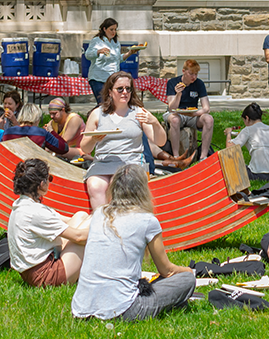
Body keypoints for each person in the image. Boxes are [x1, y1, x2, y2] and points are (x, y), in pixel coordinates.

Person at [70, 164, 195, 320]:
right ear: (142, 190)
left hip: (82, 309)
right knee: (186, 280)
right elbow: (167, 270)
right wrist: (188, 271)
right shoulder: (147, 221)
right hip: (123, 309)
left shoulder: (99, 214)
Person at [80, 71, 165, 210]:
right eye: (120, 89)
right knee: (95, 186)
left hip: (131, 162)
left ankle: (119, 224)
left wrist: (155, 122)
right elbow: (85, 148)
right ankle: (101, 224)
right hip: (103, 162)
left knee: (118, 184)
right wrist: (93, 139)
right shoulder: (97, 113)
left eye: (128, 88)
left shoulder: (138, 112)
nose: (124, 92)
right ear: (110, 92)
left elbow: (160, 141)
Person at [9, 158, 90, 286]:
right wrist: (104, 229)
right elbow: (78, 237)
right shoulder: (35, 212)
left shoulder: (22, 205)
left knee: (81, 216)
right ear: (41, 184)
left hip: (33, 270)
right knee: (90, 225)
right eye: (49, 179)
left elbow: (68, 221)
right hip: (46, 276)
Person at [163, 59, 213, 160]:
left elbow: (206, 108)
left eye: (196, 74)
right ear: (184, 71)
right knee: (174, 120)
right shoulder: (173, 83)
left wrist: (194, 114)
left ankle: (203, 156)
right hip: (176, 113)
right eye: (191, 74)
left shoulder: (199, 84)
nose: (193, 77)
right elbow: (172, 108)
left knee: (209, 119)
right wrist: (178, 94)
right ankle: (176, 156)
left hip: (192, 114)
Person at [87, 18, 139, 103]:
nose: (113, 32)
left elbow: (118, 59)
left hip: (112, 79)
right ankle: (93, 115)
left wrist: (130, 53)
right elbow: (87, 55)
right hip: (98, 78)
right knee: (103, 104)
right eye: (111, 29)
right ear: (104, 29)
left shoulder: (115, 43)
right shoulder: (97, 41)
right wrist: (99, 51)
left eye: (115, 29)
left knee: (112, 104)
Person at [226, 103, 269, 181]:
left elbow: (229, 148)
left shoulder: (248, 129)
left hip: (256, 174)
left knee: (232, 164)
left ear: (247, 118)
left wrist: (228, 133)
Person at [3, 103, 71, 155]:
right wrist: (51, 131)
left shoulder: (7, 132)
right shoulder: (41, 133)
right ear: (36, 118)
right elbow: (64, 148)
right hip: (34, 169)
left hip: (12, 168)